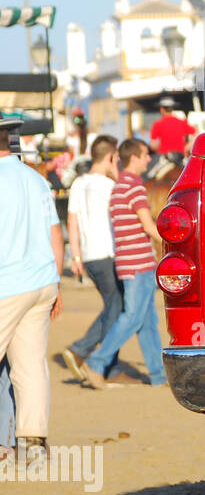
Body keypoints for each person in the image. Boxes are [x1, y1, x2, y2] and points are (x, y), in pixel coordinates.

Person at [0, 117, 64, 465]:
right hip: (41, 281)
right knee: (30, 368)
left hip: (7, 285)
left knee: (25, 369)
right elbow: (56, 236)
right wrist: (57, 286)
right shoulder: (36, 179)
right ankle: (34, 448)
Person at [82, 139, 166, 390]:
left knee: (148, 322)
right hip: (139, 263)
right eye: (144, 155)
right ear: (134, 158)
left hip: (128, 262)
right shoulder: (134, 187)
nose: (148, 159)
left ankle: (159, 375)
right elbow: (148, 226)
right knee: (131, 318)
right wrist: (176, 241)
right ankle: (96, 363)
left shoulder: (119, 186)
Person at [63, 134, 124, 382]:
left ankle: (90, 353)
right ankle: (91, 356)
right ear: (111, 157)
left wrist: (76, 256)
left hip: (88, 256)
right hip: (107, 253)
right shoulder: (110, 187)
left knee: (113, 307)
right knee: (117, 308)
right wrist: (118, 174)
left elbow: (72, 221)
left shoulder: (79, 183)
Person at [149, 96, 195, 162]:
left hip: (165, 158)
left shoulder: (157, 124)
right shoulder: (182, 122)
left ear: (161, 109)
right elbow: (196, 134)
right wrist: (185, 148)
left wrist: (160, 150)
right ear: (172, 109)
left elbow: (152, 144)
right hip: (181, 157)